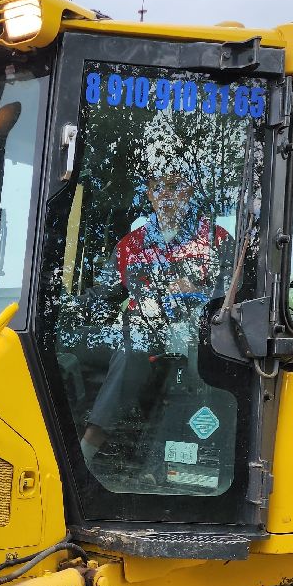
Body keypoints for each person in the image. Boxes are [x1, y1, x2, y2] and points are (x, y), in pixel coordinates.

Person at [79, 151, 232, 465]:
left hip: (194, 333)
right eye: (158, 187)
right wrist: (66, 308)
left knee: (156, 354)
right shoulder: (130, 245)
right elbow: (103, 293)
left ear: (189, 191)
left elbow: (226, 296)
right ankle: (76, 446)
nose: (167, 195)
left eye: (176, 186)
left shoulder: (216, 241)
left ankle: (96, 447)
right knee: (114, 345)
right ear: (149, 193)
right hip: (140, 329)